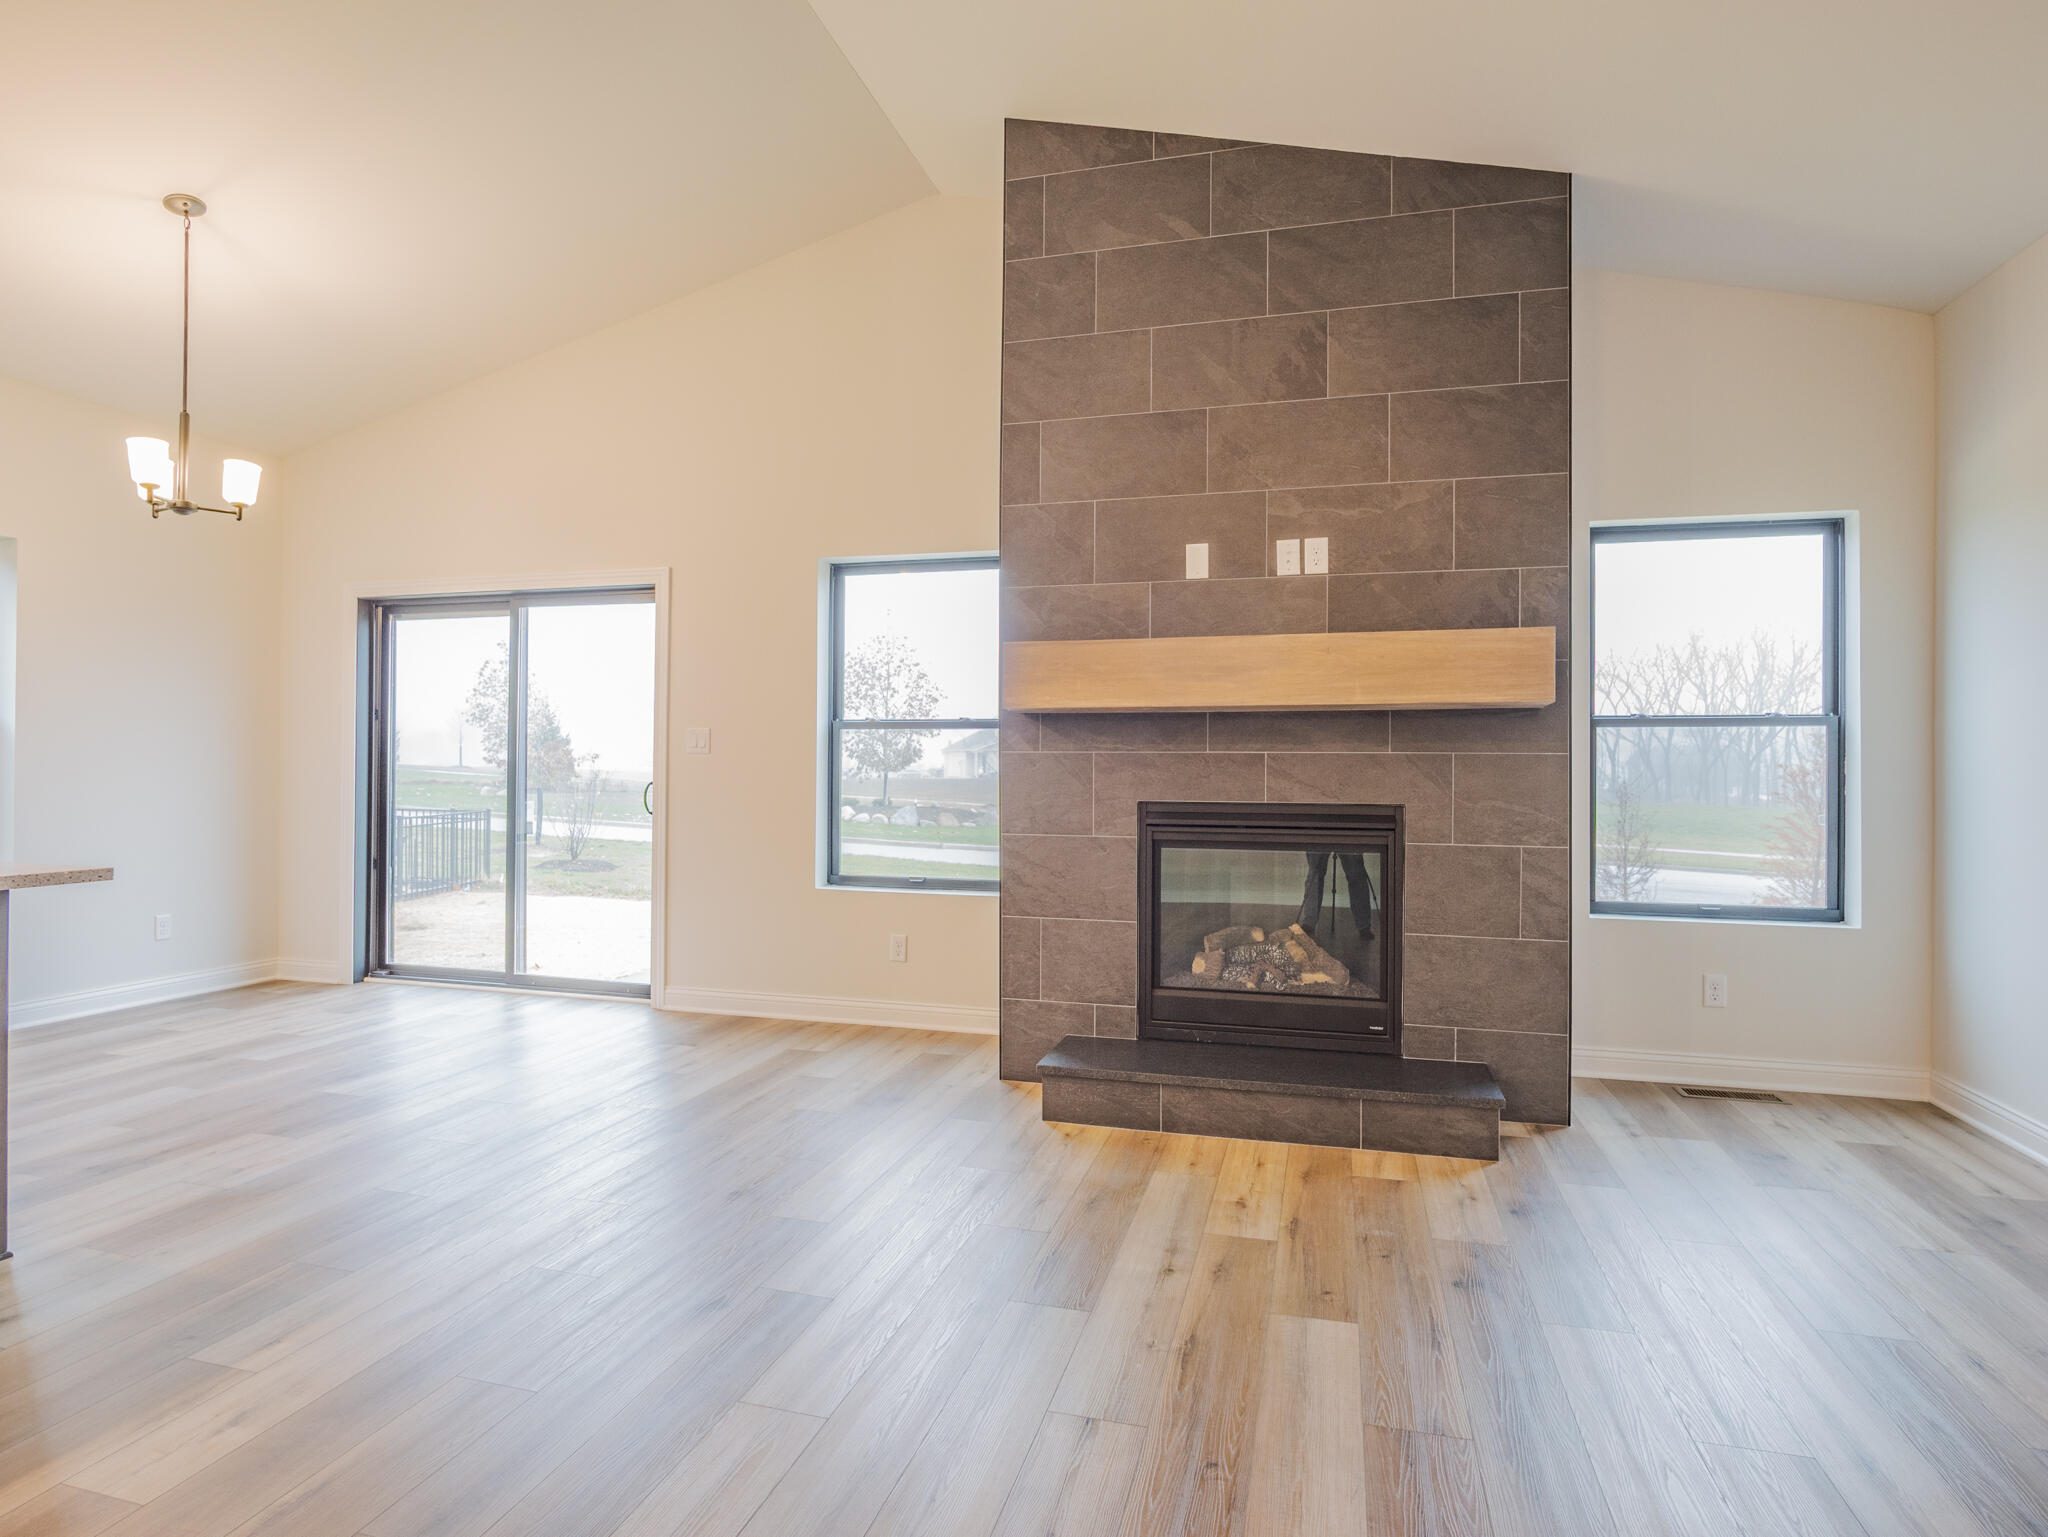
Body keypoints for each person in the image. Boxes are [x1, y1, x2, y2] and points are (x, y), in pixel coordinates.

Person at [1298, 849, 1376, 941]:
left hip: (1348, 835)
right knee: (1314, 874)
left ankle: (1364, 926)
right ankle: (1309, 922)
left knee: (1356, 874)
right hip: (1321, 835)